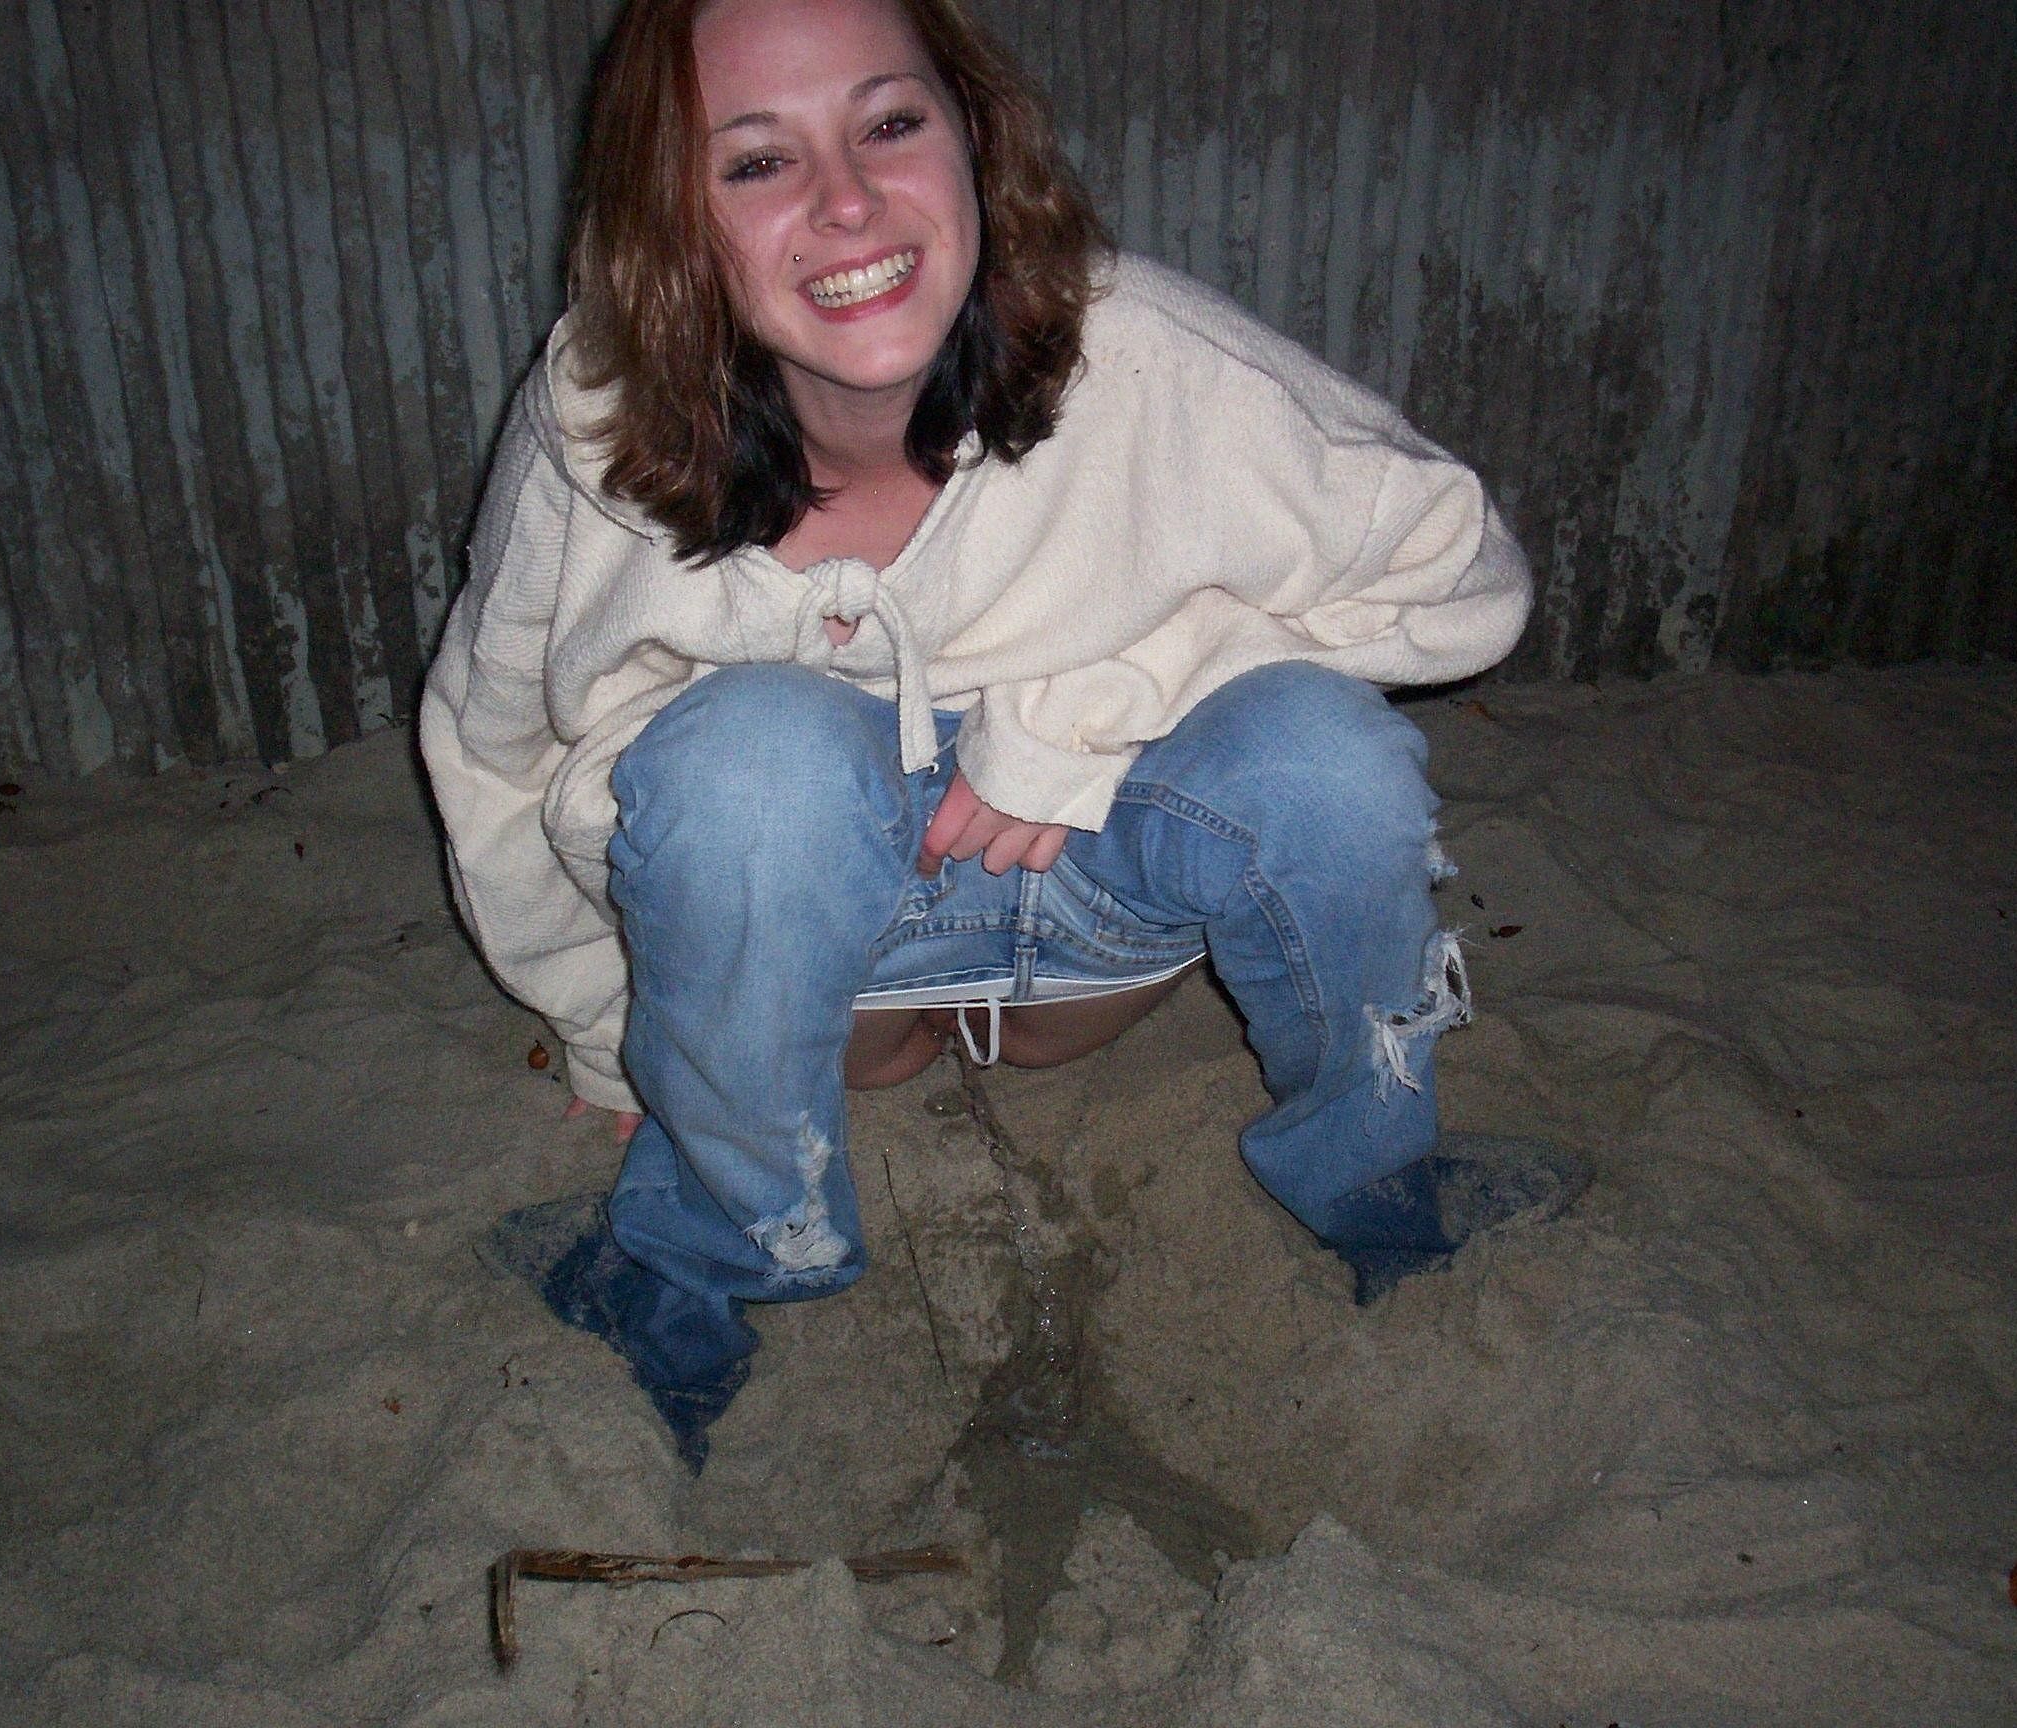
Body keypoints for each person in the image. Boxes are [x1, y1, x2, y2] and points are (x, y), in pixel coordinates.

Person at [421, 0, 1585, 1471]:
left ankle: (1378, 1181)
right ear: (668, 212)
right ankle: (712, 1244)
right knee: (753, 760)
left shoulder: (1141, 352)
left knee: (1324, 756)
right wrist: (610, 1042)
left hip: (1100, 900)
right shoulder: (599, 421)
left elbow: (1463, 573)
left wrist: (1090, 711)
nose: (849, 201)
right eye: (757, 161)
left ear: (973, 132)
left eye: (890, 122)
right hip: (823, 978)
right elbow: (494, 745)